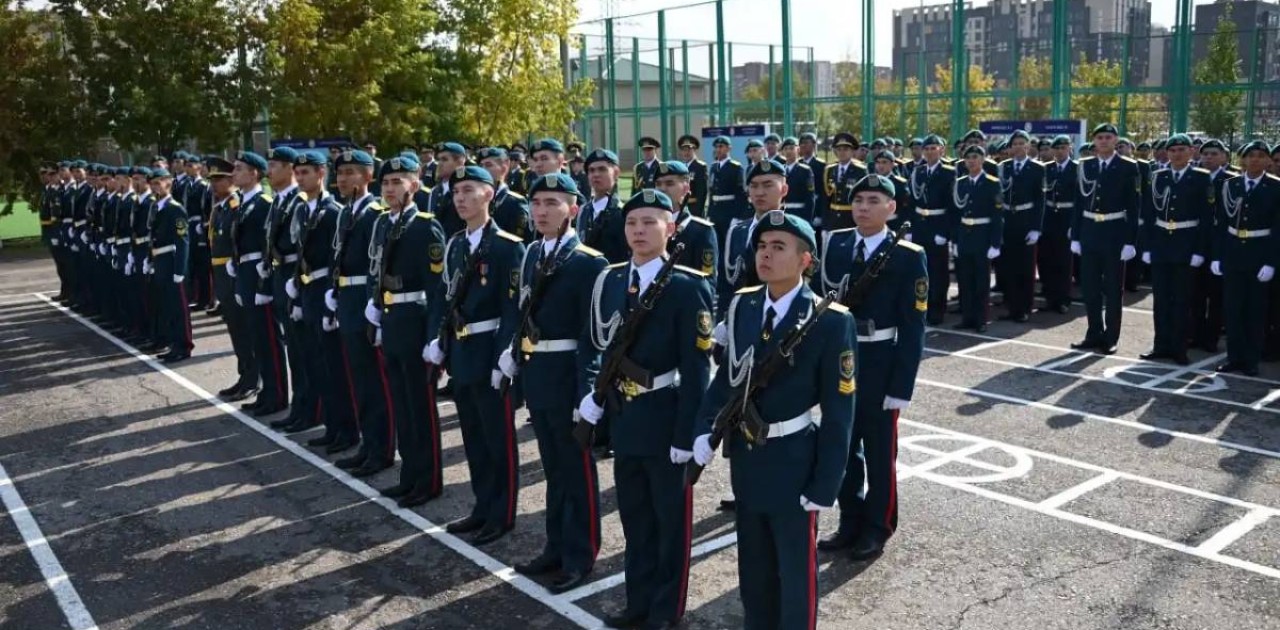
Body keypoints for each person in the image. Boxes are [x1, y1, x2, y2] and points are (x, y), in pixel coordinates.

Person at [694, 210, 855, 630]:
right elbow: (727, 379)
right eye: (762, 246)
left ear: (806, 260)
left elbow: (840, 414)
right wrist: (703, 428)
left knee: (795, 572)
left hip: (794, 459)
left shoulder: (831, 320)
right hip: (748, 457)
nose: (765, 254)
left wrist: (826, 483)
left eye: (778, 247)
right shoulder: (745, 303)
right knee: (755, 566)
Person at [580, 189, 712, 629]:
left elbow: (697, 371)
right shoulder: (614, 279)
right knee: (636, 521)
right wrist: (592, 396)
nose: (639, 230)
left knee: (669, 523)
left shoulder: (687, 286)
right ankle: (636, 602)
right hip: (625, 416)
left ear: (670, 229)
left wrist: (688, 433)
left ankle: (663, 609)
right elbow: (599, 346)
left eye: (650, 222)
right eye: (632, 222)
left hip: (664, 412)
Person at [506, 172, 609, 593]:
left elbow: (593, 336)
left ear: (573, 209)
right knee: (553, 468)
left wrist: (586, 392)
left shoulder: (589, 261)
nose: (543, 211)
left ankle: (581, 555)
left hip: (568, 375)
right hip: (540, 374)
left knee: (578, 470)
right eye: (537, 203)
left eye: (553, 202)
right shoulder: (532, 253)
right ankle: (555, 545)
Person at [816, 174, 926, 561]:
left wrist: (902, 384)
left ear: (891, 208)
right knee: (842, 447)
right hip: (843, 359)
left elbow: (914, 327)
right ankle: (850, 520)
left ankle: (877, 527)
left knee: (880, 453)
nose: (863, 207)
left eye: (873, 200)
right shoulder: (836, 243)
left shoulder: (909, 255)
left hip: (881, 360)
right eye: (859, 199)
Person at [424, 165, 525, 543]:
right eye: (456, 193)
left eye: (469, 190)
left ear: (490, 195)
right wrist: (437, 338)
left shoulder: (507, 247)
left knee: (498, 439)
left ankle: (502, 513)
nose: (461, 199)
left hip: (489, 355)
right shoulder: (455, 244)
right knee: (473, 438)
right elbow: (443, 296)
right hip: (461, 352)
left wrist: (504, 355)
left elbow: (513, 308)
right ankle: (482, 506)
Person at [365, 154, 448, 508]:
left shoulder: (425, 226)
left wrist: (434, 337)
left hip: (415, 321)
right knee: (401, 404)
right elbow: (379, 270)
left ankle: (427, 481)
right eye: (385, 183)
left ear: (414, 185)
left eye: (397, 182)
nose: (390, 189)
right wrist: (378, 311)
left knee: (420, 407)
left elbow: (437, 289)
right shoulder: (384, 224)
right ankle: (409, 474)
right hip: (393, 319)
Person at [327, 149, 396, 478]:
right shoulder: (345, 213)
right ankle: (368, 444)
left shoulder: (374, 214)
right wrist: (334, 291)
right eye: (340, 173)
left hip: (364, 303)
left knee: (375, 381)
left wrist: (376, 306)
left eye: (352, 172)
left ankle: (382, 448)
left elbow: (377, 267)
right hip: (347, 301)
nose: (343, 178)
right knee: (359, 379)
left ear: (369, 177)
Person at [288, 150, 359, 453]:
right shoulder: (305, 209)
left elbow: (335, 259)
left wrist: (333, 297)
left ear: (321, 174)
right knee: (317, 363)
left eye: (306, 172)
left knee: (335, 367)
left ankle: (347, 429)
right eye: (298, 173)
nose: (301, 177)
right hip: (308, 289)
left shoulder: (331, 210)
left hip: (324, 290)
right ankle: (332, 426)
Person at [1138, 134, 1212, 366]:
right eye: (1172, 150)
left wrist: (1200, 250)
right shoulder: (1157, 176)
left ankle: (1179, 348)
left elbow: (1206, 218)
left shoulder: (1201, 177)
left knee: (1182, 300)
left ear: (1191, 152)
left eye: (1181, 149)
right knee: (1161, 299)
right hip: (1161, 245)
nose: (1177, 154)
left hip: (1186, 245)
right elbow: (1149, 214)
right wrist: (1147, 246)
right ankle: (1161, 345)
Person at [1070, 124, 1140, 355]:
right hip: (1090, 230)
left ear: (1116, 140)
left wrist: (1130, 241)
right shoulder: (1085, 165)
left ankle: (1110, 337)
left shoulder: (1128, 167)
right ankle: (1093, 333)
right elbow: (1079, 202)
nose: (1103, 141)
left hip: (1114, 232)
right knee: (1089, 288)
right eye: (1099, 137)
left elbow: (1133, 205)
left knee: (1112, 289)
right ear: (1094, 141)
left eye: (1108, 137)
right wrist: (1076, 235)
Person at [1212, 141, 1278, 377]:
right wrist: (1217, 256)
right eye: (1250, 156)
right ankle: (1234, 357)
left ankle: (1251, 360)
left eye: (1261, 156)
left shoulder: (1275, 187)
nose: (1255, 160)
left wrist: (1271, 262)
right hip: (1233, 253)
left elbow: (1277, 230)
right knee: (1232, 309)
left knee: (1255, 311)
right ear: (1242, 160)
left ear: (1268, 161)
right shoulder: (1231, 185)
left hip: (1259, 254)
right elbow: (1220, 223)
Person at [230, 152, 290, 417]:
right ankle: (267, 392)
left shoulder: (264, 203)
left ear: (254, 173)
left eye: (239, 169)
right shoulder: (244, 202)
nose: (234, 174)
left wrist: (261, 274)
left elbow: (269, 242)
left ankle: (277, 395)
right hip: (246, 273)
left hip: (259, 276)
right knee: (258, 339)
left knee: (268, 338)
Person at [262, 147, 314, 432]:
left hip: (296, 279)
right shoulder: (279, 201)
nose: (269, 172)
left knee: (305, 351)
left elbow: (301, 247)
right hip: (281, 277)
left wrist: (295, 282)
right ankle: (299, 406)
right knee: (293, 348)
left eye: (274, 166)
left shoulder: (298, 201)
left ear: (289, 169)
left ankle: (309, 409)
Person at [205, 157, 259, 401]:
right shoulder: (222, 207)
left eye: (220, 179)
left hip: (234, 272)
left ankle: (252, 378)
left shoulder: (237, 205)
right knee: (235, 329)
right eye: (213, 180)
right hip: (222, 273)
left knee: (245, 329)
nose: (214, 184)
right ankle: (243, 374)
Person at [719, 158, 786, 316]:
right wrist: (725, 318)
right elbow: (725, 285)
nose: (759, 192)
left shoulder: (797, 232)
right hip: (741, 317)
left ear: (784, 190)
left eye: (768, 185)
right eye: (754, 186)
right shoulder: (737, 231)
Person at [950, 146, 1004, 332]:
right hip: (965, 236)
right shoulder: (961, 183)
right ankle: (967, 318)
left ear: (983, 160)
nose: (971, 161)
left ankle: (981, 319)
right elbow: (955, 215)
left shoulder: (992, 183)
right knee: (965, 280)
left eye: (975, 157)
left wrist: (995, 243)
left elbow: (997, 215)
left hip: (983, 235)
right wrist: (955, 240)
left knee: (981, 281)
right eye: (968, 158)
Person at [144, 168, 195, 363]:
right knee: (167, 307)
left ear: (169, 183)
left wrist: (179, 270)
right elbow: (153, 238)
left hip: (172, 262)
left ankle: (184, 345)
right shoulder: (157, 207)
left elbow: (183, 241)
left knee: (179, 308)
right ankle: (174, 344)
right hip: (160, 262)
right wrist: (150, 260)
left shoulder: (175, 208)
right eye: (154, 183)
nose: (156, 186)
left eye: (160, 182)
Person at [997, 130, 1046, 322]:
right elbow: (998, 197)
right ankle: (1011, 306)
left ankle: (1025, 307)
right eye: (1014, 143)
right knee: (1008, 266)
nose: (1018, 146)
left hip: (1026, 219)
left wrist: (1036, 228)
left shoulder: (1037, 168)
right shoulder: (1004, 167)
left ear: (1028, 146)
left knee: (1025, 267)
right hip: (1008, 219)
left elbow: (1040, 200)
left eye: (1021, 143)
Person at [907, 134, 956, 325]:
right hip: (920, 226)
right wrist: (911, 228)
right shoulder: (918, 172)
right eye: (926, 149)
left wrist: (945, 232)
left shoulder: (949, 172)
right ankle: (922, 307)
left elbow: (952, 207)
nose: (929, 152)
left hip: (938, 225)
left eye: (933, 148)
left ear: (942, 150)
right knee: (920, 271)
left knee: (938, 272)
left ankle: (937, 309)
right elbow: (912, 202)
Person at [1190, 139, 1234, 352]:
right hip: (1196, 242)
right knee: (1195, 294)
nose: (1208, 157)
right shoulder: (1195, 177)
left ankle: (1211, 339)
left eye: (1214, 153)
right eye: (1205, 153)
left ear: (1224, 157)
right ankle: (1195, 334)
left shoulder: (1231, 180)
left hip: (1220, 244)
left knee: (1216, 296)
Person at [653, 160, 719, 285]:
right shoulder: (647, 227)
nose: (662, 189)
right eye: (658, 184)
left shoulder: (701, 231)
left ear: (686, 188)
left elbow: (708, 282)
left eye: (669, 183)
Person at [1038, 136, 1078, 314]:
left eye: (1063, 147)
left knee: (1064, 261)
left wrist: (1074, 224)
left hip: (1067, 217)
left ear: (1070, 148)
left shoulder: (1077, 169)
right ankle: (1050, 298)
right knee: (1046, 260)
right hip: (1048, 218)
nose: (1060, 151)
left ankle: (1063, 299)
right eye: (1057, 148)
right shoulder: (1046, 169)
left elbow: (1080, 199)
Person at [578, 149, 629, 263]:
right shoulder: (583, 211)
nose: (596, 174)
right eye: (591, 171)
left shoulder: (624, 212)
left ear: (616, 173)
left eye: (602, 169)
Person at [476, 147, 533, 242]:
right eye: (481, 166)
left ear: (504, 167)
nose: (483, 170)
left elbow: (519, 243)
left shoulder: (515, 203)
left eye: (488, 165)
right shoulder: (475, 198)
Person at [182, 155, 214, 311]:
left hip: (200, 227)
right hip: (189, 226)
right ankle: (198, 298)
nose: (188, 168)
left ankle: (207, 298)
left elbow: (209, 209)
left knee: (203, 266)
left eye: (191, 165)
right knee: (193, 264)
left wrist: (204, 225)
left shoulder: (205, 186)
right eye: (186, 165)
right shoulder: (188, 186)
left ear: (199, 167)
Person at [707, 135, 748, 249]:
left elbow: (741, 194)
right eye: (716, 147)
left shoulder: (735, 167)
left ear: (729, 149)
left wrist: (737, 216)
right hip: (715, 212)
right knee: (715, 244)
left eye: (721, 146)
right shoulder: (714, 167)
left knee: (729, 244)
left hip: (728, 212)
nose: (718, 149)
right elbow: (711, 192)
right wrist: (709, 214)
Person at [821, 133, 867, 233]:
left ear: (852, 152)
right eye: (839, 149)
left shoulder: (860, 171)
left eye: (846, 149)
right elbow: (825, 199)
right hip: (832, 220)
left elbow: (863, 197)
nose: (842, 152)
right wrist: (825, 224)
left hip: (852, 219)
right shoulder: (830, 170)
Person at [427, 142, 468, 236]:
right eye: (439, 159)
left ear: (460, 162)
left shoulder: (467, 191)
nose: (440, 164)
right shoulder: (434, 191)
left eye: (445, 159)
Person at [870, 150, 911, 233]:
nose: (880, 165)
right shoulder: (871, 181)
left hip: (893, 225)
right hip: (873, 224)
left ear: (892, 164)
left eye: (884, 162)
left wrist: (905, 229)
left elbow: (906, 208)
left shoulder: (900, 183)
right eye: (878, 162)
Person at [778, 137, 816, 225]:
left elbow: (810, 197)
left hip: (800, 214)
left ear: (798, 150)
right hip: (782, 213)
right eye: (785, 149)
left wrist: (807, 220)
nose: (788, 151)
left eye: (791, 148)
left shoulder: (805, 170)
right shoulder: (779, 170)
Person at [676, 135, 708, 218]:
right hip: (680, 209)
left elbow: (701, 193)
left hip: (694, 210)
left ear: (694, 150)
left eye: (689, 149)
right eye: (684, 150)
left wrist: (698, 214)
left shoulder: (700, 167)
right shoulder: (678, 167)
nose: (686, 153)